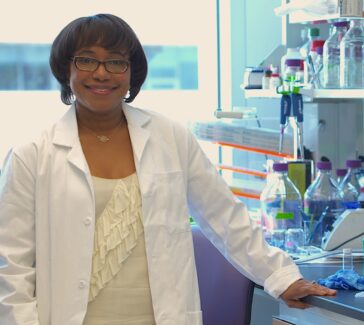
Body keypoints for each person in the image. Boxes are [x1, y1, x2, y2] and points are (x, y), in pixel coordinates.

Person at [0, 13, 335, 325]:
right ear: (65, 69)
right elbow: (11, 267)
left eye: (116, 61)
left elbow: (224, 217)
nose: (101, 73)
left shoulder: (169, 137)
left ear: (132, 73)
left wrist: (281, 277)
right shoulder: (32, 154)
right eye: (86, 60)